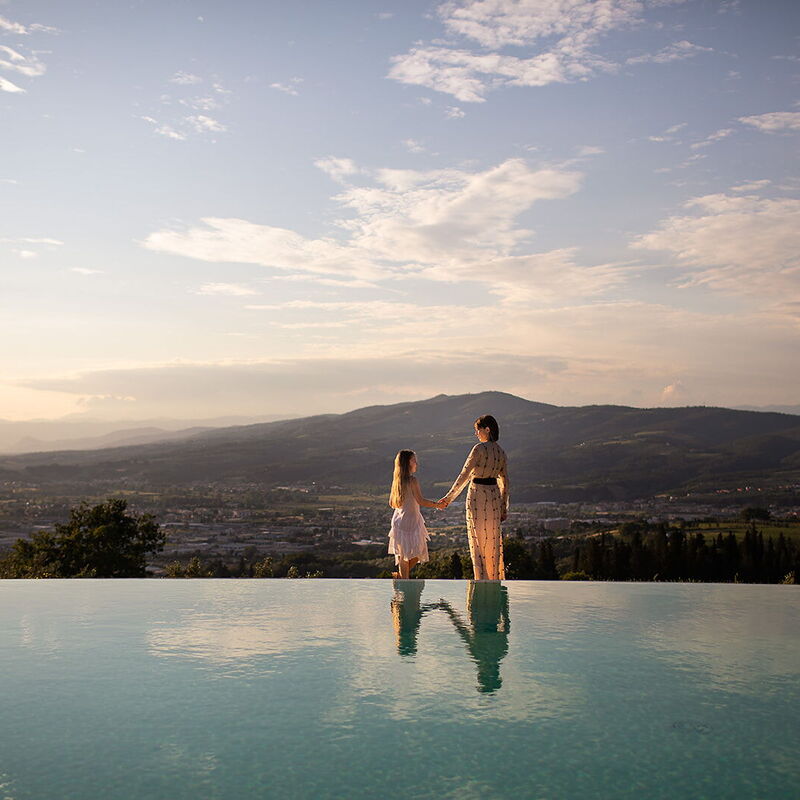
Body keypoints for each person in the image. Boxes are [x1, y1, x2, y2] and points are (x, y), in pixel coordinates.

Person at [439, 415, 509, 580]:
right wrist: (504, 507)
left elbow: (464, 475)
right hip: (494, 498)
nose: (476, 433)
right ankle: (494, 580)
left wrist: (448, 498)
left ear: (487, 429)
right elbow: (506, 482)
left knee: (478, 539)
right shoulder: (501, 452)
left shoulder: (478, 449)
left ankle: (481, 581)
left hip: (477, 495)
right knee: (493, 541)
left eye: (477, 430)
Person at [388, 449, 438, 579]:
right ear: (407, 463)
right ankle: (404, 582)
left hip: (400, 520)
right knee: (414, 554)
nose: (416, 463)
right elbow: (420, 500)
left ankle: (400, 578)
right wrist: (437, 504)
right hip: (410, 520)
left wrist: (405, 504)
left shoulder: (397, 481)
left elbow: (392, 503)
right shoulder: (412, 481)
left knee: (405, 555)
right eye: (414, 460)